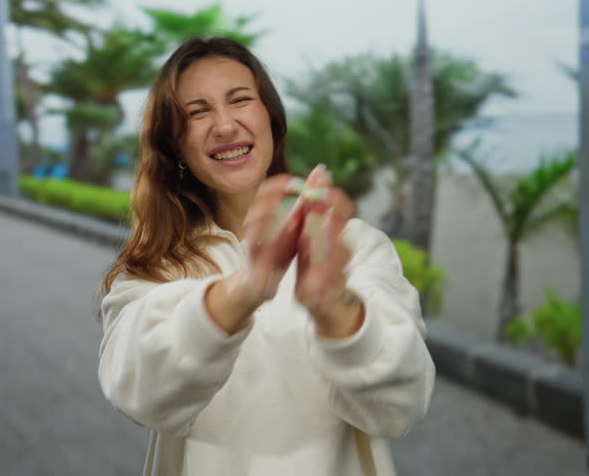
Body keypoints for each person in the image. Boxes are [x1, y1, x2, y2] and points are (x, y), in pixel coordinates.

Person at [97, 37, 435, 476]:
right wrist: (247, 287)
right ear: (176, 146)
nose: (224, 125)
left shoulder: (355, 245)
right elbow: (138, 395)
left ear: (271, 119)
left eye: (240, 100)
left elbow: (401, 406)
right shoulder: (155, 267)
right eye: (197, 112)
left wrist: (334, 305)